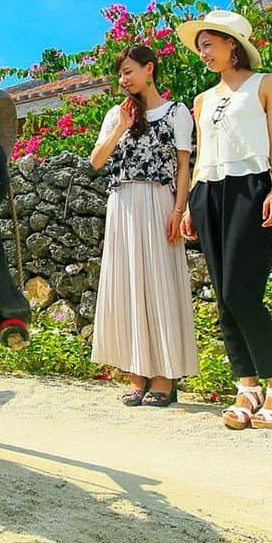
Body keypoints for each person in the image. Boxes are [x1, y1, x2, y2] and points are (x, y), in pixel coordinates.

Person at [176, 9, 272, 432]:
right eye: (200, 46)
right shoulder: (202, 100)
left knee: (241, 292)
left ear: (234, 45)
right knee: (223, 297)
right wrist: (191, 202)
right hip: (208, 190)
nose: (202, 52)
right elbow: (201, 153)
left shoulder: (268, 84)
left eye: (209, 43)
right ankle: (247, 387)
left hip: (252, 186)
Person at [89, 44, 198, 406]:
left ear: (149, 69)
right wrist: (120, 126)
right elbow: (96, 160)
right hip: (122, 202)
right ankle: (137, 375)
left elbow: (184, 166)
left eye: (129, 71)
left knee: (161, 284)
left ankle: (166, 378)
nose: (124, 79)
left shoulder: (177, 112)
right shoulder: (116, 115)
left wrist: (179, 210)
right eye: (120, 74)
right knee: (130, 286)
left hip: (159, 201)